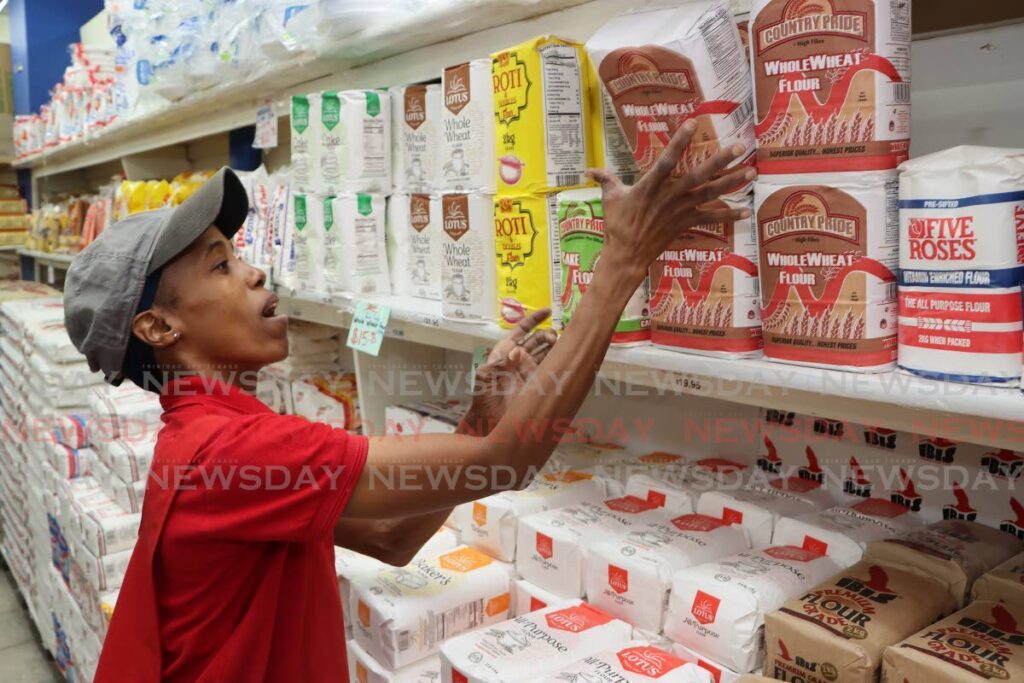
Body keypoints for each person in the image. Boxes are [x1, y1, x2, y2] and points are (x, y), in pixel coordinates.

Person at [63, 120, 752, 682]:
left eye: (236, 253)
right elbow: (506, 462)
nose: (253, 269)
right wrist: (623, 260)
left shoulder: (220, 433)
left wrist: (480, 413)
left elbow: (393, 540)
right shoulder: (228, 453)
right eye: (220, 265)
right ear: (158, 328)